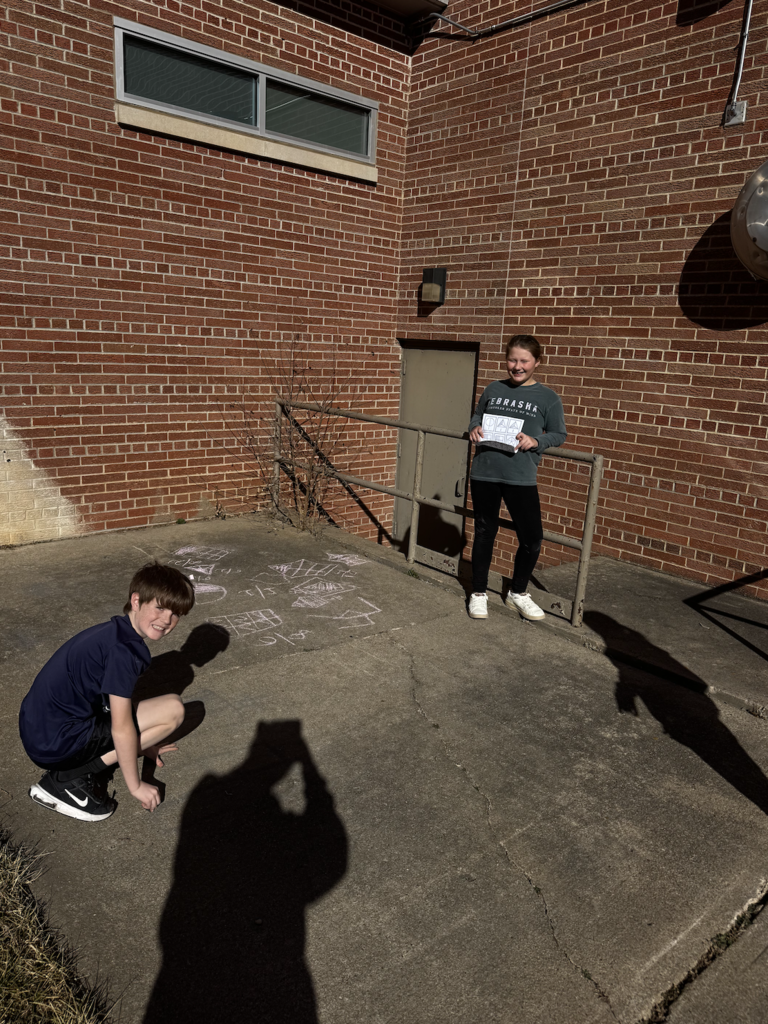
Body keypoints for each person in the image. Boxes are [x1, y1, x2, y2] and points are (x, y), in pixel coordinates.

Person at [19, 562, 195, 822]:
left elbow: (111, 702)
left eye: (176, 613)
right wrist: (136, 785)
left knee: (156, 712)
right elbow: (121, 727)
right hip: (55, 742)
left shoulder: (114, 632)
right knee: (173, 710)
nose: (167, 620)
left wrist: (143, 745)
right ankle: (66, 780)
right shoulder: (124, 653)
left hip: (39, 729)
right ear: (136, 601)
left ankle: (78, 765)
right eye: (160, 607)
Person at [467, 334, 567, 621]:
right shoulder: (493, 388)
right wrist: (474, 427)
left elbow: (559, 434)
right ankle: (478, 593)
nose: (517, 366)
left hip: (520, 476)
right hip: (484, 471)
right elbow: (478, 416)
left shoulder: (547, 397)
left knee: (532, 538)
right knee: (485, 532)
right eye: (513, 359)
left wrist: (536, 441)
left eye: (524, 361)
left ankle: (518, 592)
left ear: (537, 362)